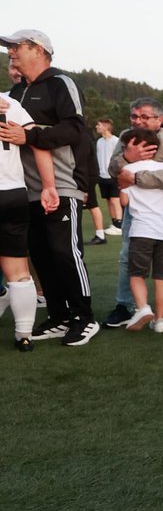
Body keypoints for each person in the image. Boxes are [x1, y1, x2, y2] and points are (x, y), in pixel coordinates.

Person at [0, 28, 98, 347]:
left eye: (17, 46)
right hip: (23, 187)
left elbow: (74, 129)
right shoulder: (15, 94)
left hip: (62, 183)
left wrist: (30, 135)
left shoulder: (60, 83)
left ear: (39, 49)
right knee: (41, 254)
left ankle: (84, 317)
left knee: (65, 251)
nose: (11, 51)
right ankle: (58, 316)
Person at [103, 97, 163, 332]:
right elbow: (112, 170)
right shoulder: (127, 135)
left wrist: (136, 177)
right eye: (134, 116)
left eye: (144, 117)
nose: (138, 121)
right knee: (127, 257)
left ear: (160, 119)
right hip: (136, 211)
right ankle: (125, 306)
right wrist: (128, 158)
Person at [0, 87, 56, 351]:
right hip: (12, 193)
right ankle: (24, 334)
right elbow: (38, 141)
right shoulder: (10, 104)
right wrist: (48, 184)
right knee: (19, 271)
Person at [115, 128, 163, 332]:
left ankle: (142, 308)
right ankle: (160, 321)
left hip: (142, 229)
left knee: (137, 274)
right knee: (162, 278)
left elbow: (124, 201)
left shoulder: (128, 171)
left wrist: (123, 186)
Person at [94, 118, 123, 235]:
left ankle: (119, 226)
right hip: (102, 176)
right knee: (108, 200)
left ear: (106, 127)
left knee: (115, 200)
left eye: (99, 125)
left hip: (113, 176)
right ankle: (114, 223)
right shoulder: (99, 142)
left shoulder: (116, 141)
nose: (97, 127)